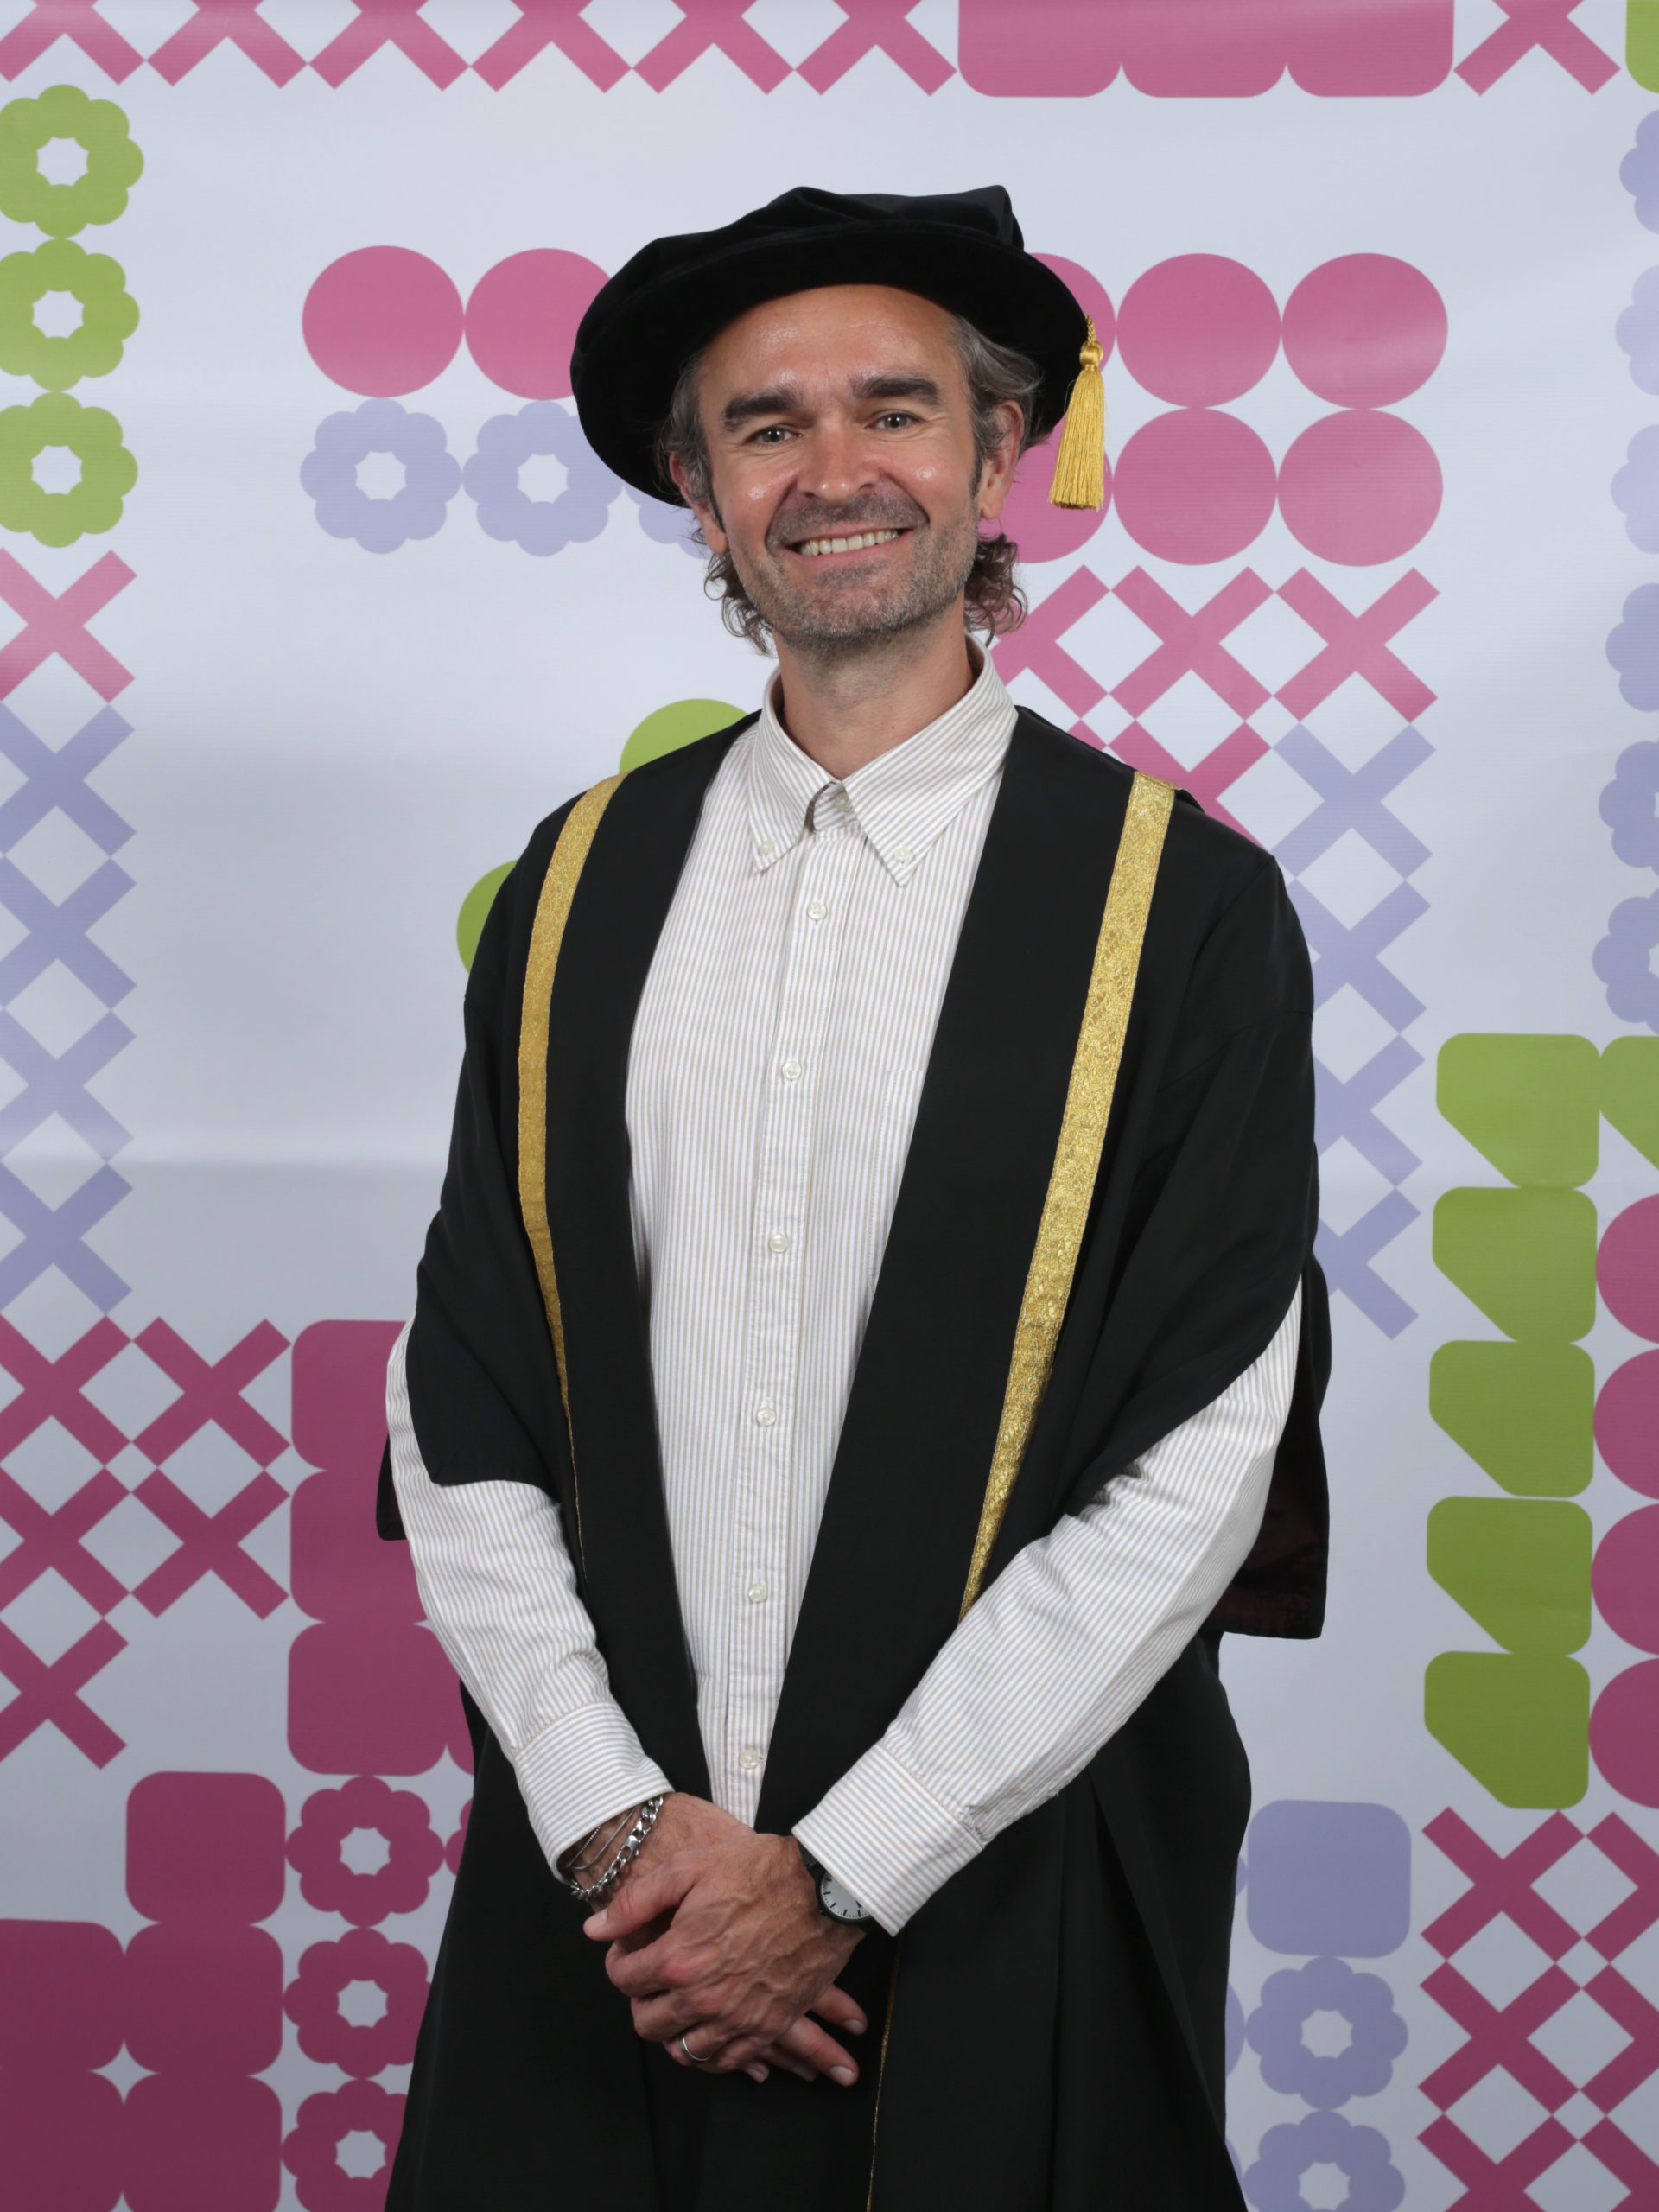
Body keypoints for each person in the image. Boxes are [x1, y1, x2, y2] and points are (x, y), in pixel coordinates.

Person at [375, 183, 1330, 2211]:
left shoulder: (1181, 911)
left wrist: (840, 1866)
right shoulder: (573, 893)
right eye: (765, 425)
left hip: (1011, 1884)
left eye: (895, 412)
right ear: (697, 490)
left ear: (999, 458)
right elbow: (459, 1406)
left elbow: (1203, 1455)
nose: (835, 472)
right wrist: (626, 1837)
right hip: (609, 1922)